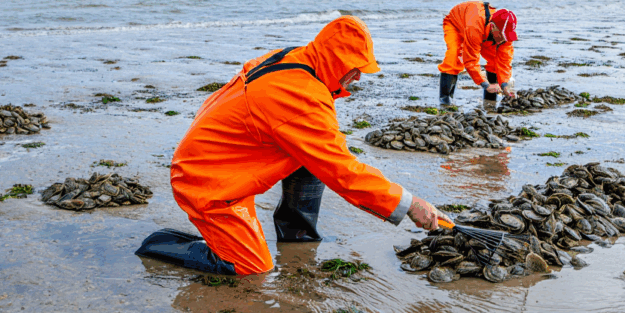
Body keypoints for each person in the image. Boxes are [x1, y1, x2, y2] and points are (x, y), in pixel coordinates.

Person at [136, 16, 451, 275]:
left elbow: (323, 151)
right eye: (354, 68)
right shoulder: (303, 97)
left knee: (310, 157)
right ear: (336, 59)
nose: (357, 77)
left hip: (224, 160)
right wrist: (410, 204)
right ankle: (161, 244)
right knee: (253, 267)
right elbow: (344, 172)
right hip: (207, 181)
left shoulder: (299, 59)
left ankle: (297, 235)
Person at [436, 1, 518, 108]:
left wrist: (505, 85)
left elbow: (504, 62)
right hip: (456, 23)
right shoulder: (475, 27)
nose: (505, 40)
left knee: (494, 61)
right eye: (503, 36)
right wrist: (485, 85)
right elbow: (470, 60)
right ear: (493, 27)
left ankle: (489, 103)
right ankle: (445, 101)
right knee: (454, 56)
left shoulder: (505, 36)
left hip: (484, 31)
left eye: (507, 36)